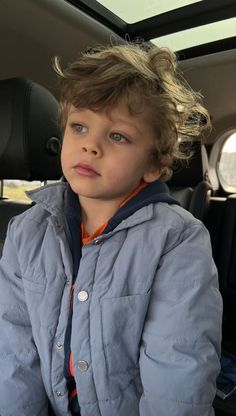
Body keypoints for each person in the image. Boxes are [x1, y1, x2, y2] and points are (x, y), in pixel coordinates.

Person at [0, 43, 222, 416]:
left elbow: (179, 369)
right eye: (79, 126)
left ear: (153, 164)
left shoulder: (177, 239)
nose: (90, 145)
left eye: (117, 136)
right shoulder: (27, 231)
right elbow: (13, 350)